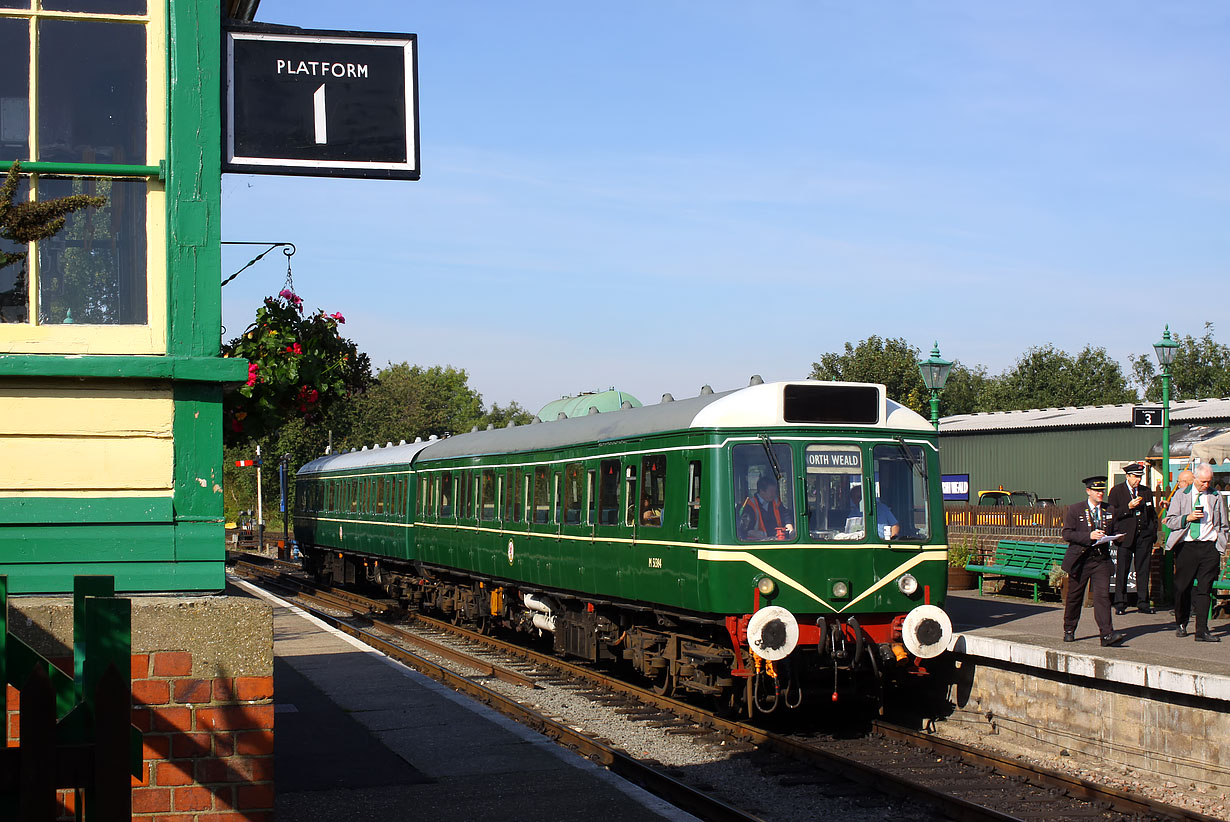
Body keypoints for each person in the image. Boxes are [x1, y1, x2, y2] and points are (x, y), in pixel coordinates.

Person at [1164, 463, 1227, 642]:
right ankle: (1181, 622)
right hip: (1187, 546)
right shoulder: (1181, 495)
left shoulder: (1215, 496)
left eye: (1209, 482)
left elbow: (1223, 523)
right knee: (1182, 587)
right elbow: (1170, 520)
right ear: (1195, 479)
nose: (1206, 485)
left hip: (1209, 546)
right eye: (1203, 482)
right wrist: (1188, 518)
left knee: (1205, 589)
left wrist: (1219, 543)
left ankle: (1202, 630)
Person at [1060, 475, 1125, 647]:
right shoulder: (1076, 510)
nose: (1100, 493)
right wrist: (1088, 536)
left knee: (1102, 597)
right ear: (1088, 491)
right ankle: (1069, 629)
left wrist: (1118, 537)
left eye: (1102, 490)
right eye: (1096, 491)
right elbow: (1067, 534)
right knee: (1074, 596)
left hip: (1100, 560)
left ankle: (1106, 634)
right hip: (1081, 559)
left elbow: (1116, 529)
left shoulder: (1110, 509)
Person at [1108, 462, 1158, 614]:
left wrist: (1152, 532)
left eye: (1140, 477)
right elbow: (1112, 514)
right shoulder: (1117, 491)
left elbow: (1152, 514)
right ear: (1128, 476)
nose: (1138, 480)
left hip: (1143, 537)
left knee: (1143, 570)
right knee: (1122, 569)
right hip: (1125, 537)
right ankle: (1120, 603)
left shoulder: (1146, 491)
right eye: (1135, 477)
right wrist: (1128, 507)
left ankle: (1143, 603)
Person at [738, 476, 794, 541]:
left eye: (774, 491)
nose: (774, 494)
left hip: (777, 539)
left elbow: (785, 515)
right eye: (771, 491)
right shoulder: (749, 506)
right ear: (761, 491)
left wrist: (789, 526)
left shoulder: (776, 502)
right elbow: (744, 529)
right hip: (758, 542)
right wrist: (752, 533)